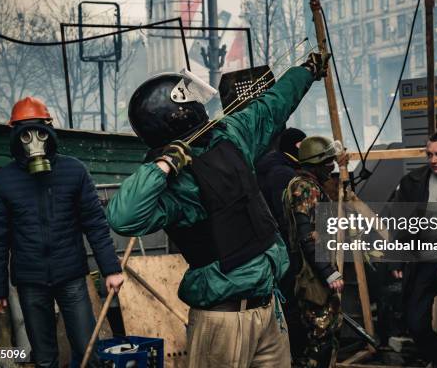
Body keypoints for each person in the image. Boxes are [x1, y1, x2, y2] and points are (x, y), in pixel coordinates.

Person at [107, 55, 330, 368]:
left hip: (268, 307)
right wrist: (163, 165)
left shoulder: (230, 134)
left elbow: (273, 104)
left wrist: (304, 72)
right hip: (223, 319)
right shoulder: (174, 186)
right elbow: (122, 217)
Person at [0, 97, 124, 368]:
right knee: (45, 358)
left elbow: (95, 222)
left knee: (87, 351)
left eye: (39, 133)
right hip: (30, 280)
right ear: (15, 138)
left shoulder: (74, 171)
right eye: (25, 135)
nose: (34, 142)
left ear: (49, 134)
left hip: (70, 275)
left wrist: (111, 269)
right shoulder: (4, 181)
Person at [388, 131, 437, 368]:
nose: (433, 160)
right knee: (415, 321)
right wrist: (396, 259)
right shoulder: (414, 181)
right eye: (429, 154)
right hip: (424, 261)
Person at [283, 135, 345, 368]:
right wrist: (328, 271)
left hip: (314, 271)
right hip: (312, 276)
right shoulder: (305, 188)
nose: (332, 166)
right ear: (317, 163)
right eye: (328, 162)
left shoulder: (307, 185)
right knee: (320, 338)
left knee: (328, 334)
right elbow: (306, 236)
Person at [256, 127, 307, 360]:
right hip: (281, 246)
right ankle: (294, 353)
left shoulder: (264, 167)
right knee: (289, 301)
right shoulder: (282, 174)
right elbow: (286, 216)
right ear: (297, 147)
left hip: (264, 246)